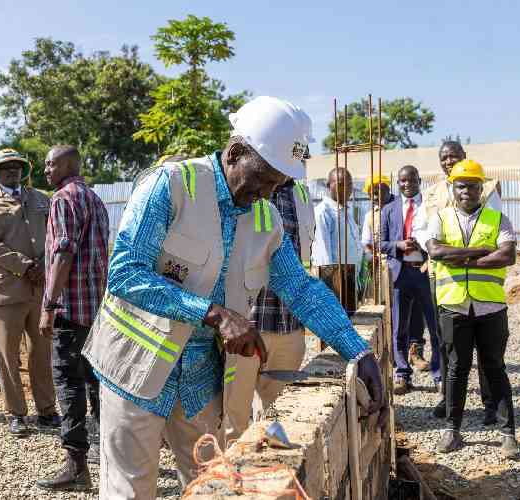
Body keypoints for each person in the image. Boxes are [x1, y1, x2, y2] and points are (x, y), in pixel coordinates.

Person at [83, 96, 388, 499]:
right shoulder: (172, 185)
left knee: (213, 485)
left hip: (197, 378)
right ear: (235, 152)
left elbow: (300, 289)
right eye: (262, 179)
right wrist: (214, 314)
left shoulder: (266, 218)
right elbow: (126, 273)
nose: (267, 193)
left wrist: (358, 352)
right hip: (136, 368)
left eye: (278, 184)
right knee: (131, 490)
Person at [424, 159, 518, 458]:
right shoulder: (440, 218)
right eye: (461, 185)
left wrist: (460, 258)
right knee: (456, 369)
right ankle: (452, 431)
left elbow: (507, 255)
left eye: (473, 186)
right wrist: (479, 252)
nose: (467, 191)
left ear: (481, 188)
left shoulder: (498, 218)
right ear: (453, 188)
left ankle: (508, 434)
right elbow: (436, 251)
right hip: (454, 305)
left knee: (495, 368)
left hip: (490, 307)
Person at [36, 145, 109, 491]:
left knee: (68, 384)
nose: (46, 170)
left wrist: (49, 305)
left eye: (50, 164)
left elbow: (62, 254)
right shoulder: (95, 199)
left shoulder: (63, 200)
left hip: (70, 311)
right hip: (96, 310)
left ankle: (77, 467)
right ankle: (113, 461)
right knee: (97, 384)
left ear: (67, 165)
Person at [223, 174, 316, 443]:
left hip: (289, 326)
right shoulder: (242, 183)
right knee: (234, 422)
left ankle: (270, 468)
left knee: (278, 420)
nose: (297, 160)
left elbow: (305, 258)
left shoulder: (301, 194)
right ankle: (232, 469)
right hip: (245, 329)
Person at [0, 148, 59, 437]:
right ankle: (16, 413)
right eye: (6, 166)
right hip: (5, 290)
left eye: (17, 165)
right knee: (7, 355)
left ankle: (47, 410)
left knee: (42, 352)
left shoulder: (42, 199)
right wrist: (24, 265)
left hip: (40, 288)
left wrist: (44, 265)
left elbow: (55, 236)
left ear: (24, 170)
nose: (12, 170)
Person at [412, 140, 501, 422]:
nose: (449, 161)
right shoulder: (431, 193)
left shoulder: (486, 188)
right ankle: (449, 399)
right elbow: (420, 230)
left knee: (485, 345)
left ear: (464, 156)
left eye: (454, 156)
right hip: (443, 276)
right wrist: (436, 247)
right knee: (446, 340)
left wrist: (461, 254)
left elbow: (495, 226)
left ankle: (490, 403)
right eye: (444, 157)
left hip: (481, 279)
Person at [380, 165, 440, 395]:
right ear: (398, 183)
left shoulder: (430, 207)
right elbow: (380, 243)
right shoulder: (389, 209)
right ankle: (402, 373)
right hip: (400, 274)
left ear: (419, 181)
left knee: (434, 326)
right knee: (399, 327)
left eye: (412, 180)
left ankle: (439, 374)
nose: (407, 184)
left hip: (425, 272)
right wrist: (398, 245)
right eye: (403, 181)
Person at [313, 167, 363, 288]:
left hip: (351, 280)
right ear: (328, 185)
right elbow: (323, 256)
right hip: (337, 284)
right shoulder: (323, 212)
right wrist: (331, 289)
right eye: (341, 184)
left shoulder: (346, 211)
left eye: (350, 184)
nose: (347, 189)